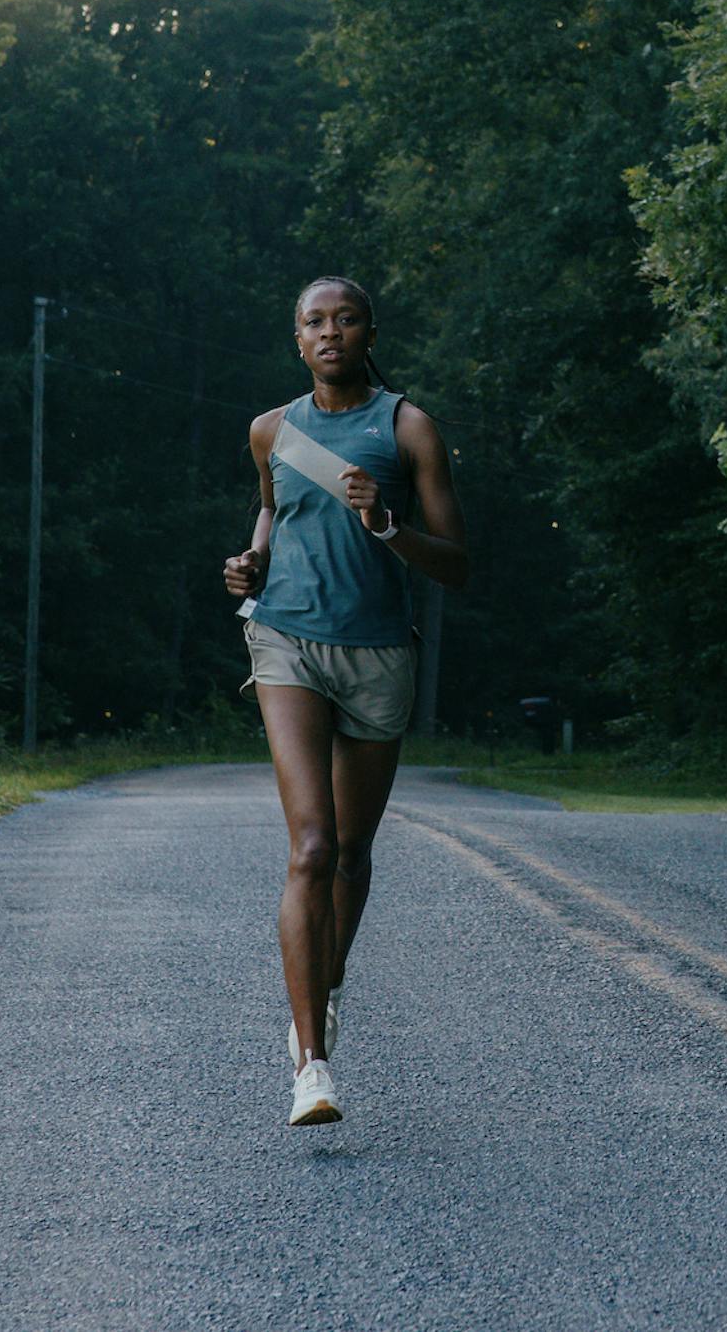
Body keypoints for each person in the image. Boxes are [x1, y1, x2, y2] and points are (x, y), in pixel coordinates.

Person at [221, 276, 469, 1127]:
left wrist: (389, 525)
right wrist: (248, 566)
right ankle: (311, 1066)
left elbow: (455, 562)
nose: (330, 333)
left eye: (346, 319)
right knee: (312, 848)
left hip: (377, 653)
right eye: (314, 322)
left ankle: (323, 992)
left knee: (355, 853)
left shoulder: (407, 427)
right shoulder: (272, 430)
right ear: (297, 340)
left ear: (368, 331)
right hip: (286, 639)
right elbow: (270, 517)